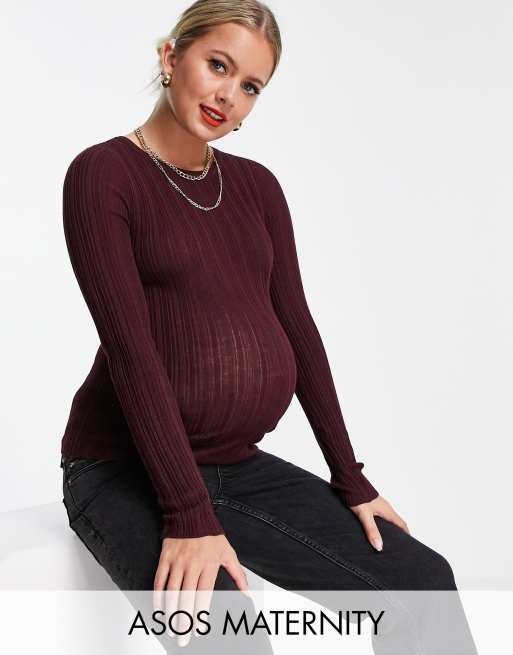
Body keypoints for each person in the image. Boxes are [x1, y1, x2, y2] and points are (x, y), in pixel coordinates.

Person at [60, 1, 479, 653]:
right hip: (121, 469)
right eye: (217, 65)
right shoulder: (104, 175)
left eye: (251, 85)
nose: (228, 95)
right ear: (170, 57)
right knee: (232, 637)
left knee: (424, 584)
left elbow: (298, 329)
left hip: (234, 465)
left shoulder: (257, 188)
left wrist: (350, 477)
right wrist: (188, 514)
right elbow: (130, 352)